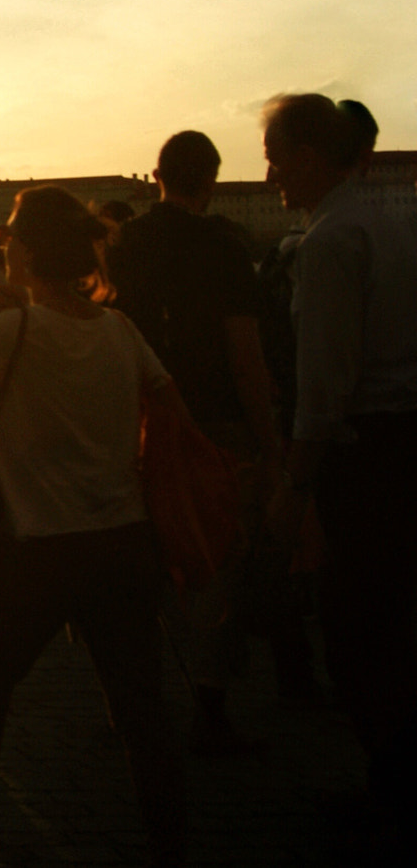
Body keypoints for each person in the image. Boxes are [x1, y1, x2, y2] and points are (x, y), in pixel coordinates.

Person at [0, 186, 186, 864]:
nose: (3, 244)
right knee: (142, 706)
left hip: (39, 548)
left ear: (26, 249)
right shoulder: (120, 329)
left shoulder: (12, 330)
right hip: (120, 540)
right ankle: (171, 837)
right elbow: (170, 407)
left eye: (8, 236)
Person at [263, 93, 417, 849]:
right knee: (393, 625)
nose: (268, 173)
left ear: (312, 159)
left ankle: (393, 790)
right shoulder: (385, 224)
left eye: (276, 156)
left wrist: (295, 486)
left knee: (357, 634)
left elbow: (323, 387)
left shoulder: (327, 243)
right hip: (402, 442)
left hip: (362, 456)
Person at [108, 130, 284, 752]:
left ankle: (139, 692)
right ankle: (208, 694)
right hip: (215, 420)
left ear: (156, 175)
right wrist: (270, 440)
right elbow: (245, 354)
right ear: (210, 180)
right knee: (223, 555)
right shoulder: (225, 248)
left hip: (142, 418)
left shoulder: (124, 243)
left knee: (146, 551)